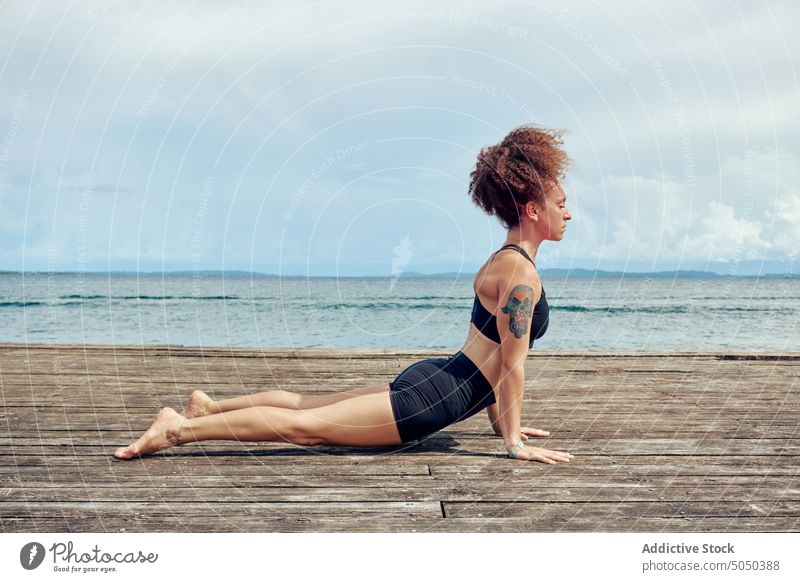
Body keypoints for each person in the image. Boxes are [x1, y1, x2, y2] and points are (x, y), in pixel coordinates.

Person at [114, 124, 574, 464]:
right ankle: (179, 429)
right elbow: (511, 365)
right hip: (431, 399)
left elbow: (494, 354)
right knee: (307, 427)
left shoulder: (504, 259)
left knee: (306, 404)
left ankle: (209, 406)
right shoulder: (521, 276)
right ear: (532, 209)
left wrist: (504, 426)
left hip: (437, 377)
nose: (567, 214)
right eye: (560, 204)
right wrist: (511, 443)